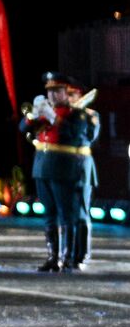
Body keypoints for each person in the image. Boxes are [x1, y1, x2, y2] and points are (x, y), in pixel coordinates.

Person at [19, 71, 96, 272]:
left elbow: (74, 134)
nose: (53, 95)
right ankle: (53, 256)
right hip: (42, 167)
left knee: (67, 214)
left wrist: (54, 118)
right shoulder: (46, 112)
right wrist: (33, 116)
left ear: (65, 92)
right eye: (50, 91)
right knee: (49, 215)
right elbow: (22, 129)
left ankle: (67, 256)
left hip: (64, 168)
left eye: (57, 91)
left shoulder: (77, 113)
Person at [69, 80, 99, 268]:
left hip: (81, 166)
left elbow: (88, 137)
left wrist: (77, 114)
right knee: (67, 212)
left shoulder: (89, 115)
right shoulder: (64, 115)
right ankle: (69, 252)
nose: (68, 98)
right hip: (64, 166)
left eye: (71, 95)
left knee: (81, 211)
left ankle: (82, 254)